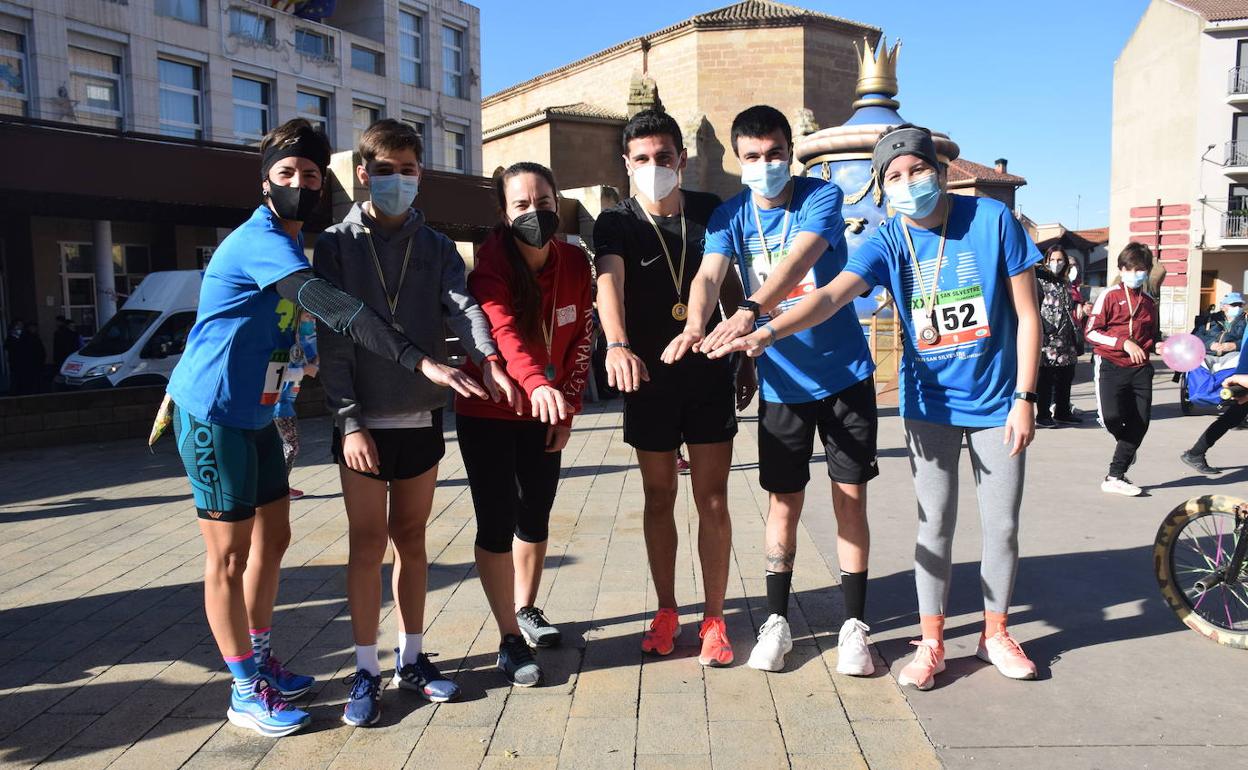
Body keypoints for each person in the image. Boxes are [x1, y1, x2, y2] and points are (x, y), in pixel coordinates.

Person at [164, 118, 487, 738]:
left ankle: (261, 657)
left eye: (311, 175)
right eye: (286, 174)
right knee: (228, 557)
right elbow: (337, 311)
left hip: (259, 413)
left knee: (274, 539)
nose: (300, 185)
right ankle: (242, 687)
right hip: (215, 412)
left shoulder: (291, 241)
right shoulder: (263, 238)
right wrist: (417, 360)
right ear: (265, 183)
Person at [710, 123, 1043, 690]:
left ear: (938, 172)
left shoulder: (992, 220)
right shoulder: (887, 239)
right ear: (883, 188)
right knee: (934, 523)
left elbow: (1028, 315)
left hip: (996, 403)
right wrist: (767, 331)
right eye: (895, 176)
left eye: (918, 170)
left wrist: (1026, 398)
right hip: (928, 403)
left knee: (1002, 526)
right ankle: (932, 640)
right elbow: (831, 294)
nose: (909, 182)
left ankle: (995, 634)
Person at [662, 105, 878, 675]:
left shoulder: (820, 197)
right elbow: (709, 275)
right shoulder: (729, 215)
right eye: (753, 157)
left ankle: (855, 626)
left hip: (845, 377)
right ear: (738, 160)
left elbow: (799, 260)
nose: (766, 165)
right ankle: (777, 622)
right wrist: (694, 326)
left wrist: (752, 310)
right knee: (782, 504)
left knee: (848, 499)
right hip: (783, 384)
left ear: (791, 151)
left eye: (775, 154)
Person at [315, 119, 515, 726]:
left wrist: (488, 357)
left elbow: (464, 308)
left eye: (407, 170)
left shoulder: (436, 247)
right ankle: (364, 670)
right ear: (361, 174)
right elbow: (335, 337)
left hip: (421, 417)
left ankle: (412, 658)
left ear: (420, 175)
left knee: (413, 539)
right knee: (366, 545)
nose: (397, 180)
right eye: (385, 170)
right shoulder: (336, 245)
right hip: (364, 424)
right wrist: (349, 422)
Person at [593, 109, 757, 667]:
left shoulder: (712, 211)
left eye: (664, 157)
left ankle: (714, 616)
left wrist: (745, 352)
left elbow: (729, 282)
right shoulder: (615, 221)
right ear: (627, 165)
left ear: (682, 159)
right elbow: (608, 283)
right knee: (658, 496)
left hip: (709, 368)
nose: (654, 167)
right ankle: (666, 608)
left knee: (712, 498)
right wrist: (616, 344)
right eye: (642, 159)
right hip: (647, 375)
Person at [455, 161, 594, 687]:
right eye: (520, 204)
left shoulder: (575, 263)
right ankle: (508, 637)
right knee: (497, 519)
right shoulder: (490, 264)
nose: (533, 212)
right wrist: (537, 383)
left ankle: (528, 608)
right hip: (492, 410)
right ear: (503, 211)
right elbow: (503, 331)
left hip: (548, 410)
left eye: (543, 202)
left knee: (536, 511)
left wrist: (569, 404)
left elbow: (582, 334)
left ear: (557, 203)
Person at [1086, 242, 1159, 497]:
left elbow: (1153, 336)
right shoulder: (1109, 295)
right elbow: (1091, 332)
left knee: (1140, 422)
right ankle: (1127, 445)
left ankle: (1115, 476)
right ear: (1122, 269)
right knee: (1111, 419)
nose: (1137, 273)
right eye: (1132, 268)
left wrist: (1163, 345)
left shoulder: (1149, 302)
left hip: (1140, 369)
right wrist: (1123, 343)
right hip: (1111, 365)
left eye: (1142, 269)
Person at [1181, 313, 1248, 475]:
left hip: (1243, 376)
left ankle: (1195, 453)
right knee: (1233, 416)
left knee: (1233, 417)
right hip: (1243, 376)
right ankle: (1195, 453)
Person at [273, 309, 318, 501]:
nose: (312, 320)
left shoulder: (302, 342)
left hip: (284, 402)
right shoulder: (289, 343)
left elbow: (313, 359)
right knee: (291, 446)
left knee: (287, 446)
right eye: (308, 316)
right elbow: (279, 373)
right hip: (278, 404)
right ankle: (279, 488)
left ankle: (279, 486)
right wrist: (306, 370)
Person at [1035, 246, 1081, 427]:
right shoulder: (1040, 281)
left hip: (1066, 339)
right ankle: (1043, 415)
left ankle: (1062, 411)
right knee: (1046, 379)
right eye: (1052, 260)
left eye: (1060, 260)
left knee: (1066, 376)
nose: (1056, 264)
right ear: (1046, 261)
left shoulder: (1066, 282)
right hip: (1047, 339)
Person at [1195, 291, 1246, 367]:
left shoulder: (1245, 320)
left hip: (1233, 358)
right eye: (1234, 305)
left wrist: (1235, 345)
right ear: (1223, 306)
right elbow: (1196, 337)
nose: (1238, 307)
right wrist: (1210, 345)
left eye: (1240, 305)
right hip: (1208, 356)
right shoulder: (1210, 319)